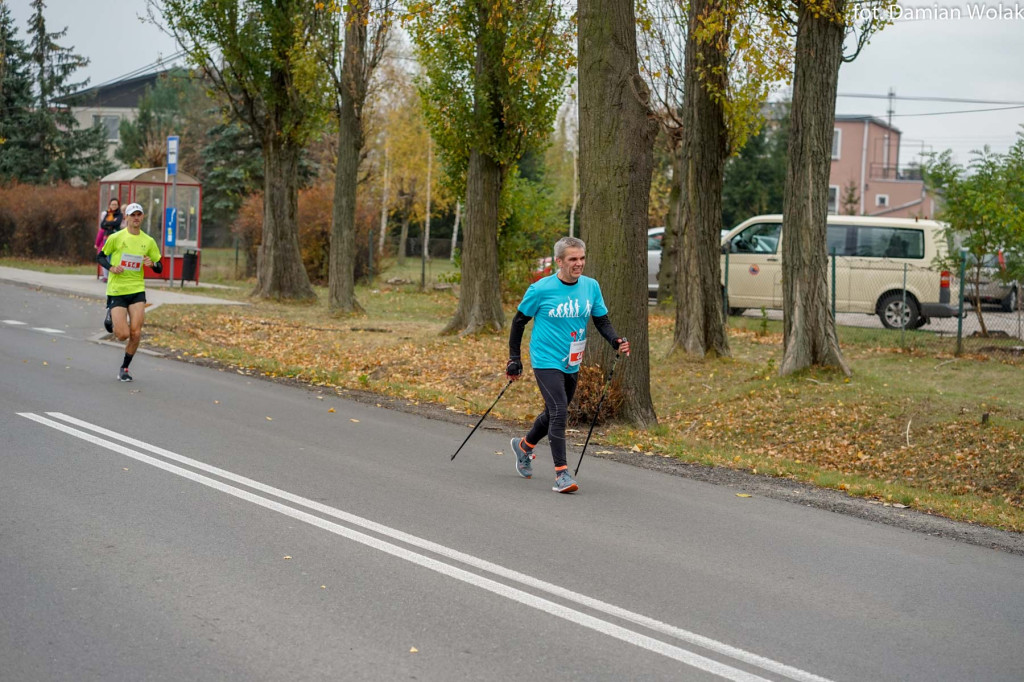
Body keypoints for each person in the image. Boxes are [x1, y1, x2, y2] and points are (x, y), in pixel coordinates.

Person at [505, 236, 630, 493]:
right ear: (559, 261)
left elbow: (601, 321)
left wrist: (615, 340)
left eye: (582, 258)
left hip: (572, 360)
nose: (579, 263)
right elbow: (518, 322)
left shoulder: (591, 286)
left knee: (553, 412)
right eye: (573, 259)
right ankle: (562, 474)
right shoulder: (541, 289)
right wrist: (514, 359)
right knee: (560, 411)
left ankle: (524, 446)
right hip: (545, 358)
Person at [96, 203, 163, 382]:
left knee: (136, 332)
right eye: (132, 215)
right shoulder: (116, 238)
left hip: (137, 289)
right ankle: (110, 312)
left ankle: (124, 368)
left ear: (142, 217)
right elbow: (100, 256)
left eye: (139, 215)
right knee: (122, 335)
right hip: (117, 290)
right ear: (126, 217)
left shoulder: (148, 241)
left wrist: (153, 264)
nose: (135, 218)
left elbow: (159, 267)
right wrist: (111, 267)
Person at [95, 198, 123, 282]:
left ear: (118, 206)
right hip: (106, 238)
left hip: (115, 237)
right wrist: (110, 224)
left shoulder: (119, 215)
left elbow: (117, 223)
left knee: (113, 257)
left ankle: (113, 274)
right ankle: (106, 276)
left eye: (115, 205)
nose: (114, 206)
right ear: (109, 205)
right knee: (105, 257)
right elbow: (102, 225)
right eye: (112, 204)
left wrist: (108, 224)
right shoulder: (107, 214)